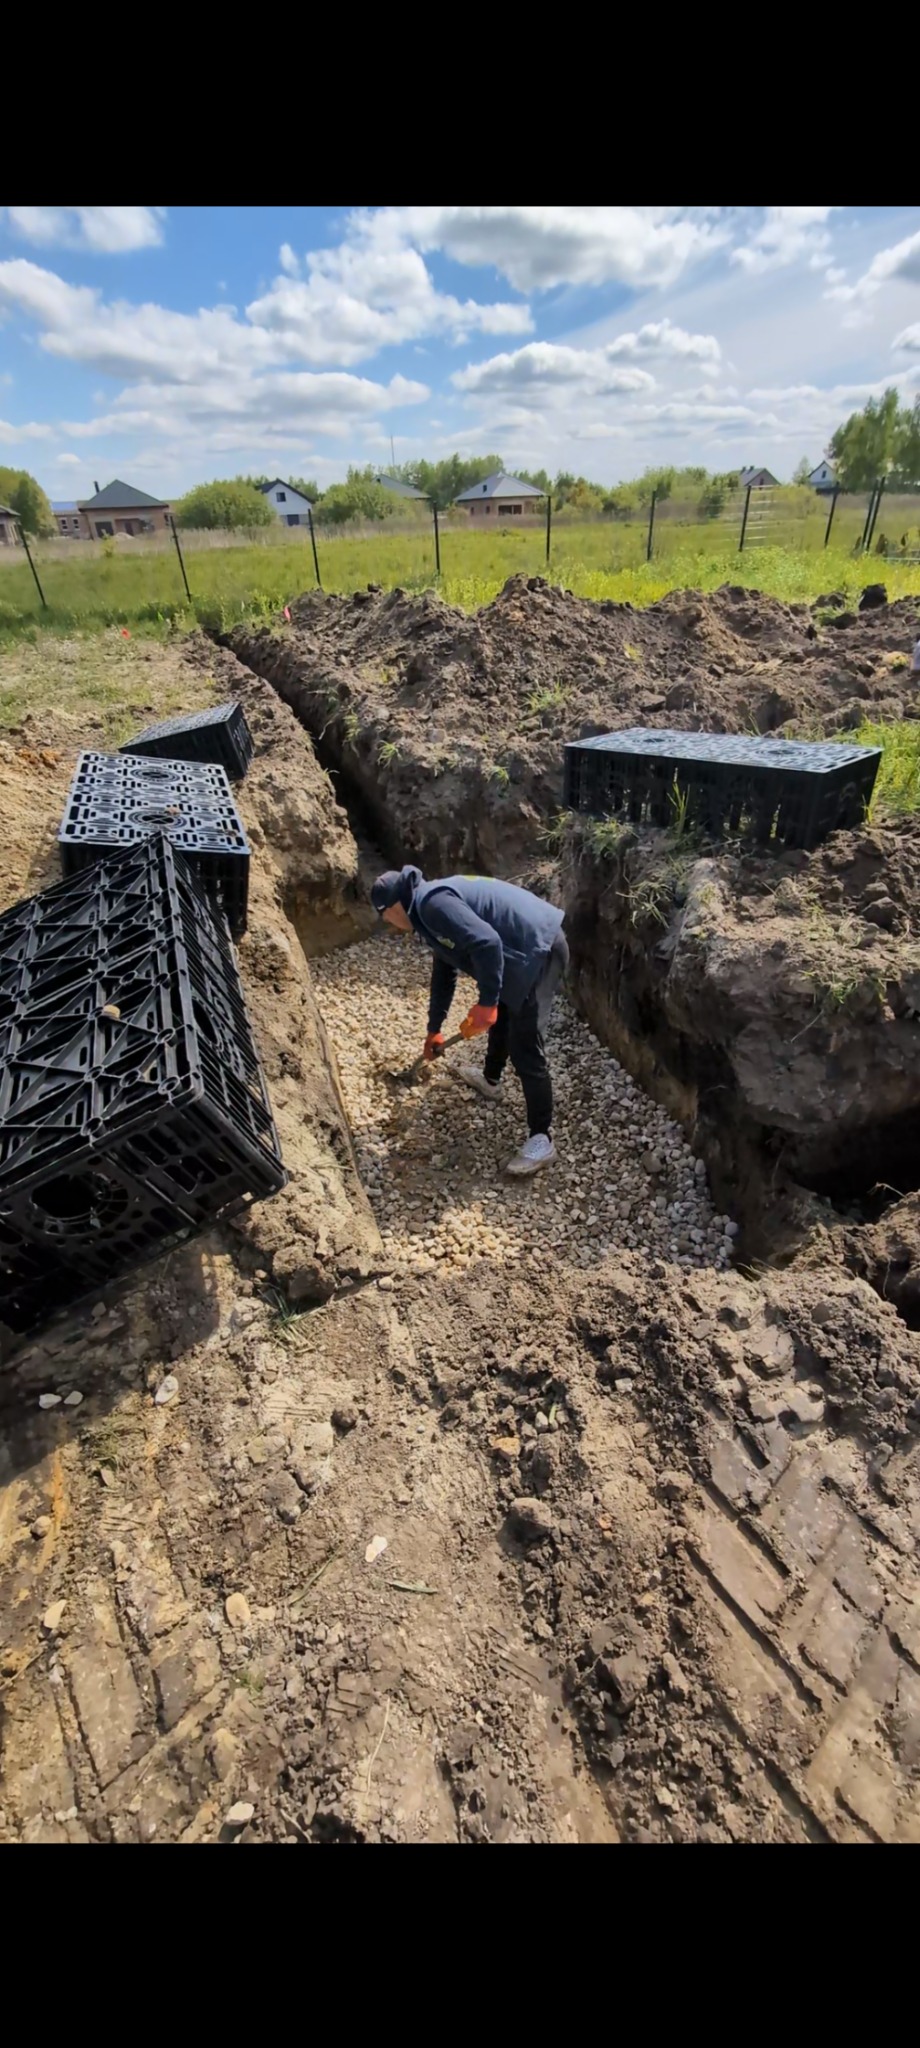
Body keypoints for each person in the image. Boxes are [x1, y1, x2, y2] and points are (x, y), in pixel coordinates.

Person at [371, 864, 568, 1177]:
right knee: (503, 1011)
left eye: (385, 917)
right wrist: (433, 1029)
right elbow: (444, 972)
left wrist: (486, 1002)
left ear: (393, 907)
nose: (389, 924)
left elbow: (487, 943)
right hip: (517, 949)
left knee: (525, 1045)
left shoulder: (432, 904)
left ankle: (542, 1139)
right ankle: (491, 1080)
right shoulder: (424, 911)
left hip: (538, 946)